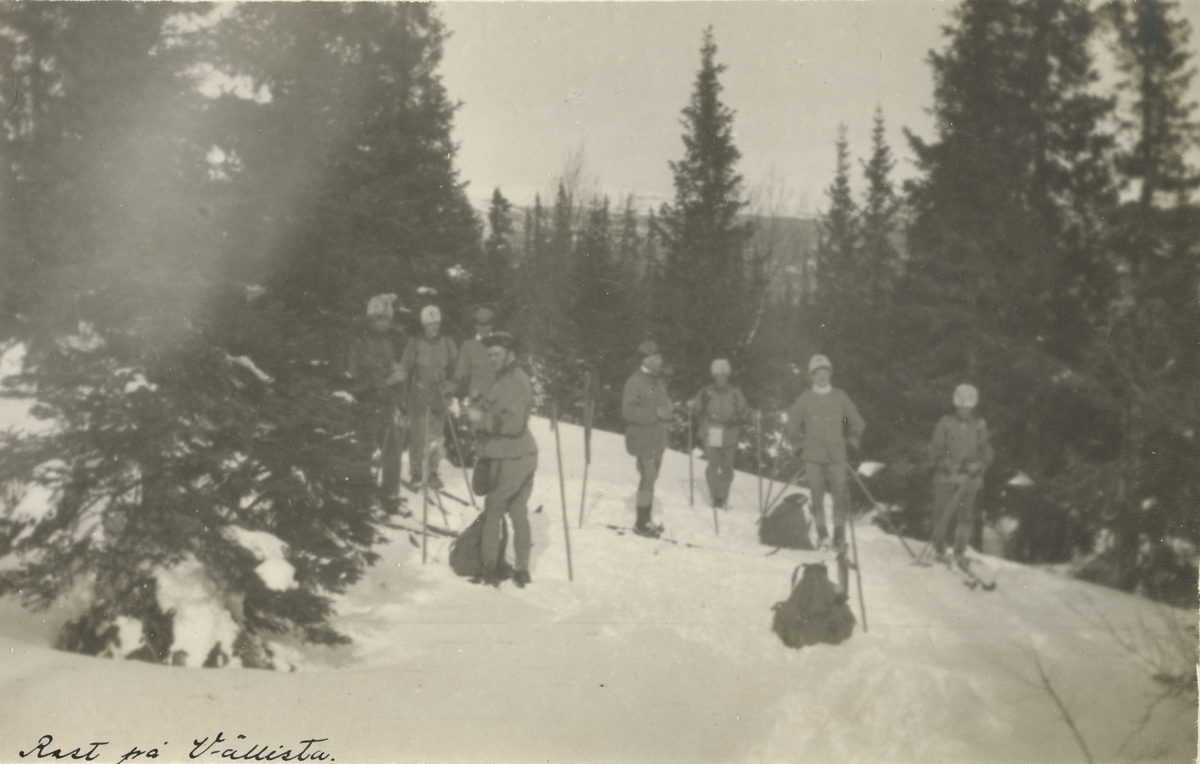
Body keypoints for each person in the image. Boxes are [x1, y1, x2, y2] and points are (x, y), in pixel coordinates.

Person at [467, 332, 537, 588]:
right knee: (518, 511)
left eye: (497, 354)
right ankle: (522, 569)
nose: (492, 359)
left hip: (511, 457)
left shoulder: (512, 381)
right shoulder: (510, 377)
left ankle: (488, 568)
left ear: (510, 353)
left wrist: (479, 419)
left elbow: (512, 423)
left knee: (493, 509)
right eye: (489, 355)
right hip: (524, 454)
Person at [785, 354, 865, 552]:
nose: (822, 376)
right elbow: (792, 423)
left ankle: (839, 536)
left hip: (837, 455)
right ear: (812, 376)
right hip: (813, 456)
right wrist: (798, 445)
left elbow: (855, 421)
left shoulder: (840, 396)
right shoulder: (806, 398)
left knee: (839, 496)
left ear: (830, 374)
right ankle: (822, 535)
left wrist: (851, 441)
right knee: (817, 496)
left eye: (825, 372)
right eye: (818, 373)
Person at [346, 294, 407, 514]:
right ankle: (361, 499)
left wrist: (396, 373)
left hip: (385, 404)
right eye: (378, 318)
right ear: (370, 318)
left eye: (386, 319)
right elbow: (356, 379)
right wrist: (386, 381)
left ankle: (389, 497)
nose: (383, 323)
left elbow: (388, 367)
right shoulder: (359, 342)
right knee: (364, 451)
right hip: (366, 405)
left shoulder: (385, 342)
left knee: (392, 451)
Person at [928, 384, 994, 564]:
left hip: (969, 480)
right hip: (946, 477)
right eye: (961, 407)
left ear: (973, 407)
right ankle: (939, 549)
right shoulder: (946, 423)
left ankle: (959, 551)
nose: (964, 411)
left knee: (965, 517)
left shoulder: (979, 426)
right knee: (941, 514)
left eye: (968, 408)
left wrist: (978, 465)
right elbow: (935, 449)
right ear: (955, 406)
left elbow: (987, 452)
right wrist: (944, 462)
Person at [400, 305, 457, 489]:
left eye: (436, 323)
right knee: (418, 436)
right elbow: (405, 369)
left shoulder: (447, 342)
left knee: (436, 437)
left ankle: (432, 472)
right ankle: (417, 474)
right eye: (430, 324)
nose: (434, 327)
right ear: (424, 325)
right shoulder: (415, 342)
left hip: (439, 394)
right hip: (420, 393)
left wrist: (451, 384)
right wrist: (404, 394)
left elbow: (456, 367)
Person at [621, 340, 673, 537]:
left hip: (657, 438)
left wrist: (666, 411)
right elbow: (627, 411)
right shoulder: (634, 382)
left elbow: (659, 405)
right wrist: (655, 414)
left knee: (651, 477)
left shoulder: (657, 380)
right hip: (643, 438)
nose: (661, 361)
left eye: (660, 356)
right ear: (646, 359)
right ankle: (641, 523)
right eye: (656, 357)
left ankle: (646, 519)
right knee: (649, 475)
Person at [687, 358, 753, 510]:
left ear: (728, 375)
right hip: (713, 430)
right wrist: (691, 405)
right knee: (713, 464)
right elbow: (696, 407)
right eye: (718, 375)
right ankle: (716, 497)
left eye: (724, 375)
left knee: (727, 467)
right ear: (714, 376)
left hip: (730, 432)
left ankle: (723, 496)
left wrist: (752, 416)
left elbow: (744, 410)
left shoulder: (735, 392)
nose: (721, 378)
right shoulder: (707, 391)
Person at [450, 307, 497, 468]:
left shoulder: (498, 343)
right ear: (476, 326)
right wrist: (456, 384)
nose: (484, 328)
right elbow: (461, 369)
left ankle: (492, 457)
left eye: (487, 325)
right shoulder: (469, 345)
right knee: (476, 420)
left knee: (495, 423)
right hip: (476, 391)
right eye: (481, 325)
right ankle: (470, 455)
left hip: (496, 391)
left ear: (491, 325)